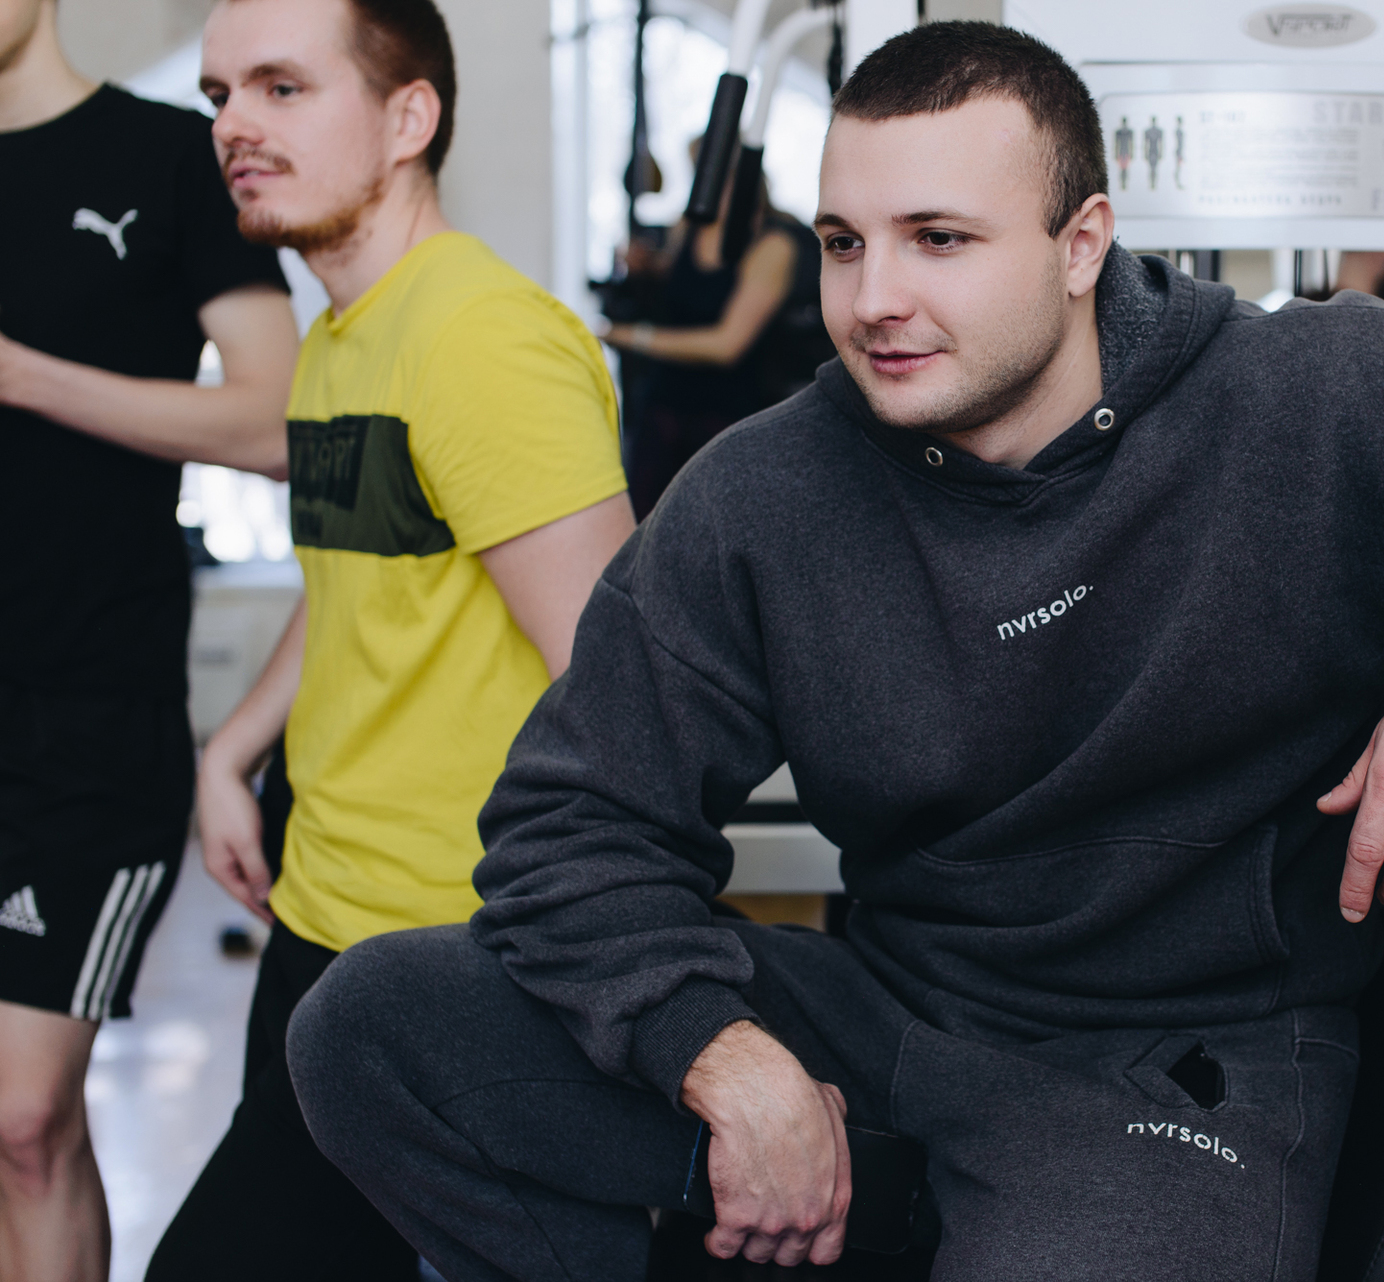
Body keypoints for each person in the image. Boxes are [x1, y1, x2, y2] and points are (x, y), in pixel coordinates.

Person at [289, 21, 1384, 1280]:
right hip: (890, 1015)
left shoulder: (1312, 396)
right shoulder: (769, 492)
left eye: (940, 240)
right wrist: (722, 1054)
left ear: (1083, 245)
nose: (874, 300)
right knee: (375, 1025)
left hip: (1178, 1063)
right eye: (844, 242)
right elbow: (569, 825)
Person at [141, 0, 634, 1278]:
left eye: (282, 87)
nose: (234, 126)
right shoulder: (340, 339)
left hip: (439, 949)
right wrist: (232, 748)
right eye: (218, 96)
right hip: (318, 906)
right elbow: (362, 570)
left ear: (409, 116)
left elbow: (621, 692)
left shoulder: (484, 342)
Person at [0, 0, 298, 1276]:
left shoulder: (165, 155)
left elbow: (280, 418)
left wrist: (20, 374)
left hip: (85, 719)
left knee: (24, 1119)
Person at [602, 162, 833, 516]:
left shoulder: (773, 243)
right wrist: (646, 265)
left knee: (712, 519)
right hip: (663, 403)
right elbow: (679, 281)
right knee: (643, 517)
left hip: (727, 412)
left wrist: (630, 336)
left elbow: (726, 345)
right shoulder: (689, 228)